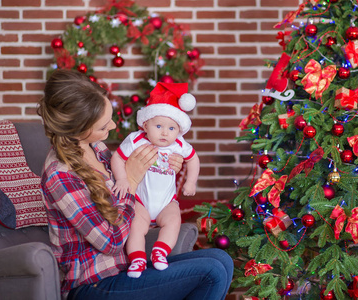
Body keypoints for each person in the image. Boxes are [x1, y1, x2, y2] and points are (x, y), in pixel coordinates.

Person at [37, 69, 233, 300]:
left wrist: (167, 166)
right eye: (102, 126)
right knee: (211, 272)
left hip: (126, 266)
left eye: (109, 117)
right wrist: (130, 180)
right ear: (77, 128)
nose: (111, 126)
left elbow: (134, 199)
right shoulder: (60, 175)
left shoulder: (96, 148)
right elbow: (110, 242)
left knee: (221, 260)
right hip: (94, 284)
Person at [111, 82, 200, 278]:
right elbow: (117, 157)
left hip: (166, 202)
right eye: (158, 126)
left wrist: (190, 182)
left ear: (179, 130)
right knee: (135, 227)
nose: (164, 133)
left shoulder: (178, 144)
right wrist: (122, 179)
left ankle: (160, 251)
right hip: (140, 202)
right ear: (145, 124)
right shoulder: (136, 140)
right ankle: (137, 259)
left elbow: (193, 159)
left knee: (174, 220)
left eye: (171, 128)